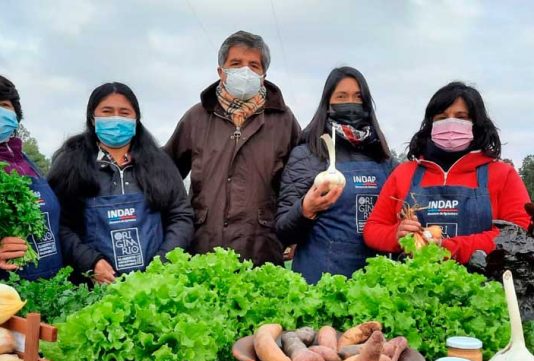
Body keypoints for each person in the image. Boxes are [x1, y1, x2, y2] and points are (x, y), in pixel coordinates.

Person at [164, 30, 300, 266]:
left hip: (262, 249)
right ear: (221, 71)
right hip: (203, 248)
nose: (245, 71)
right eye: (236, 63)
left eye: (253, 65)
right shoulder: (196, 118)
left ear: (263, 74)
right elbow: (165, 176)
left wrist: (298, 231)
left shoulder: (284, 121)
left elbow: (299, 183)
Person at [364, 81, 531, 264]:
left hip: (484, 287)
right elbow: (372, 230)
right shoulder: (404, 173)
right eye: (442, 117)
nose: (450, 123)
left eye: (461, 117)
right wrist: (397, 235)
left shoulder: (502, 174)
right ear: (431, 124)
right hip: (414, 287)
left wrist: (449, 247)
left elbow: (519, 234)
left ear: (476, 124)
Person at [48, 82, 193, 284]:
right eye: (107, 112)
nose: (116, 118)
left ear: (136, 119)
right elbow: (59, 224)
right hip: (93, 286)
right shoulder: (70, 163)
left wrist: (163, 261)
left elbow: (181, 215)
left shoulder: (159, 163)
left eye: (124, 112)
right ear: (92, 117)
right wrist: (91, 262)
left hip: (155, 282)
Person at [275, 67, 393, 284]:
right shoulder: (308, 154)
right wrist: (306, 209)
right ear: (328, 104)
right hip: (318, 281)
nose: (351, 102)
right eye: (342, 96)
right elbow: (283, 231)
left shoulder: (383, 159)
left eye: (358, 97)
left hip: (374, 283)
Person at [0, 75, 63, 280]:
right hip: (8, 294)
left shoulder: (27, 161)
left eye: (4, 105)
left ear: (16, 114)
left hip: (54, 285)